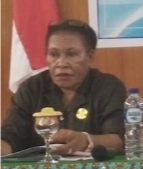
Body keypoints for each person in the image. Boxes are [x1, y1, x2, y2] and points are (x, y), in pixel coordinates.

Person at [1, 19, 126, 156]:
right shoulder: (31, 89)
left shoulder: (108, 87)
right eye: (54, 54)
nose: (61, 63)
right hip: (39, 168)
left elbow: (119, 140)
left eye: (71, 54)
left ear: (90, 57)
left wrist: (86, 141)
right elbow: (10, 135)